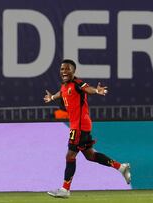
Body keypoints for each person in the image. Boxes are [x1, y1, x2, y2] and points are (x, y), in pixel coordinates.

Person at [44, 59, 131, 198]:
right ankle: (121, 168)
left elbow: (87, 88)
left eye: (67, 69)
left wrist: (97, 90)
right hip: (79, 125)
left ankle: (65, 189)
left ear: (73, 71)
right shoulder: (64, 86)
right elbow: (61, 93)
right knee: (90, 155)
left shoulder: (77, 83)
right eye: (62, 69)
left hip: (79, 125)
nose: (64, 71)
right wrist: (52, 97)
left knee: (70, 155)